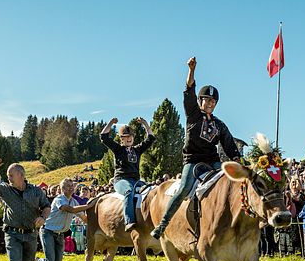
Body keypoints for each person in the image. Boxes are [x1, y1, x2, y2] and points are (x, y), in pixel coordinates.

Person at [151, 56, 242, 239]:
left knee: (230, 182)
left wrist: (240, 162)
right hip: (192, 161)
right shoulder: (193, 115)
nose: (209, 104)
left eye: (213, 101)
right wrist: (191, 70)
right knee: (184, 188)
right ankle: (163, 224)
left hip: (213, 162)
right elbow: (189, 91)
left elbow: (230, 146)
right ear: (200, 101)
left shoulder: (220, 125)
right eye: (206, 100)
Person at [99, 117, 155, 231]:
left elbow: (151, 138)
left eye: (130, 136)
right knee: (129, 192)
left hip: (137, 181)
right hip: (121, 180)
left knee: (151, 191)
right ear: (121, 139)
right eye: (125, 137)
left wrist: (145, 124)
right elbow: (103, 137)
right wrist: (110, 123)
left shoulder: (137, 150)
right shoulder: (118, 149)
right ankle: (129, 221)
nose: (129, 138)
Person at [33, 178, 90, 261]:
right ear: (63, 189)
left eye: (72, 186)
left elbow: (83, 217)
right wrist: (88, 205)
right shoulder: (59, 199)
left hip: (60, 234)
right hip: (48, 231)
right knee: (50, 260)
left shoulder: (74, 201)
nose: (72, 188)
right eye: (69, 186)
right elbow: (70, 209)